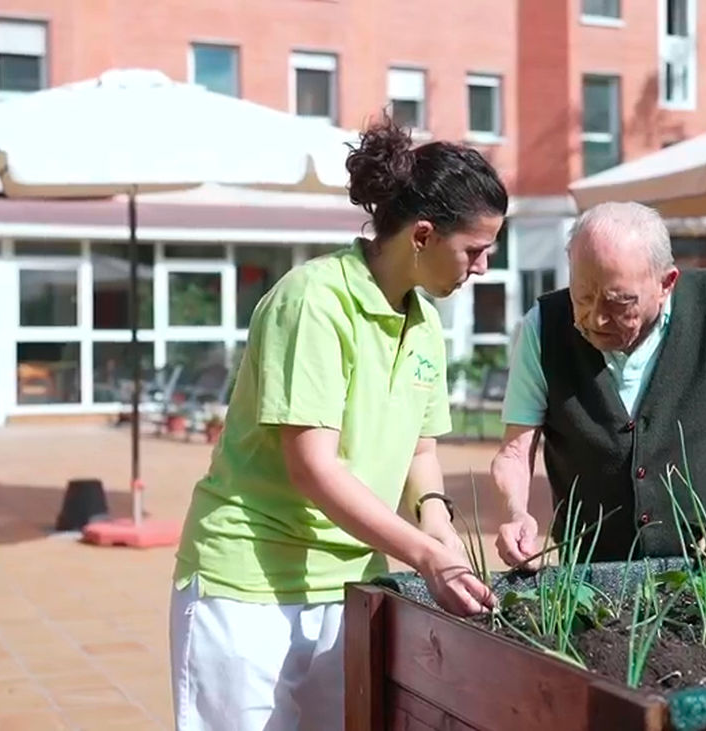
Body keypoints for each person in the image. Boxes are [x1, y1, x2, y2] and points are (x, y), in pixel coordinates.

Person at [170, 117, 507, 731]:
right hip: (249, 584)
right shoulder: (312, 302)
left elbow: (419, 452)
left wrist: (438, 526)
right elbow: (314, 469)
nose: (482, 267)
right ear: (423, 236)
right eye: (475, 251)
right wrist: (425, 558)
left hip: (352, 582)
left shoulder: (423, 324)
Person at [491, 201, 706, 569]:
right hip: (592, 574)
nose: (597, 317)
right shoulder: (541, 328)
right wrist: (516, 512)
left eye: (620, 301)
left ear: (666, 283)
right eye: (583, 296)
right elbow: (515, 452)